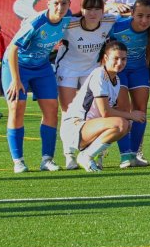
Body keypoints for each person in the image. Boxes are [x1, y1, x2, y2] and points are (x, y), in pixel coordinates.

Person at [3, 0, 72, 173]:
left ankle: (47, 159)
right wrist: (16, 80)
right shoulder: (36, 23)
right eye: (56, 3)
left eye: (64, 3)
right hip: (18, 65)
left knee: (51, 109)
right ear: (48, 3)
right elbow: (13, 50)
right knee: (17, 108)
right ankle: (18, 161)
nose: (60, 7)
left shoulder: (68, 16)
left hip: (41, 66)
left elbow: (88, 15)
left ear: (69, 3)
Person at [54, 0, 118, 167]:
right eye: (88, 8)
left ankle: (95, 151)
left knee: (93, 112)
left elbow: (129, 12)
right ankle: (69, 154)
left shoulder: (108, 21)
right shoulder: (70, 24)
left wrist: (116, 6)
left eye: (97, 9)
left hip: (90, 70)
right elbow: (51, 20)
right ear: (81, 10)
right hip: (68, 69)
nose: (93, 13)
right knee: (68, 112)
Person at [60, 41, 141, 172]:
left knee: (125, 124)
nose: (120, 63)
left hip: (90, 127)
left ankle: (92, 153)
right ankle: (87, 155)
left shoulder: (117, 80)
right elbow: (106, 113)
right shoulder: (99, 75)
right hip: (76, 126)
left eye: (123, 59)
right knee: (121, 123)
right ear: (105, 58)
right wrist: (132, 115)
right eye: (116, 58)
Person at [108, 0, 150, 168]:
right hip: (119, 71)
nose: (144, 20)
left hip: (139, 71)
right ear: (132, 14)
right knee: (123, 109)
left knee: (141, 110)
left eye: (149, 16)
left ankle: (134, 153)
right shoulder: (118, 27)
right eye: (140, 16)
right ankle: (125, 156)